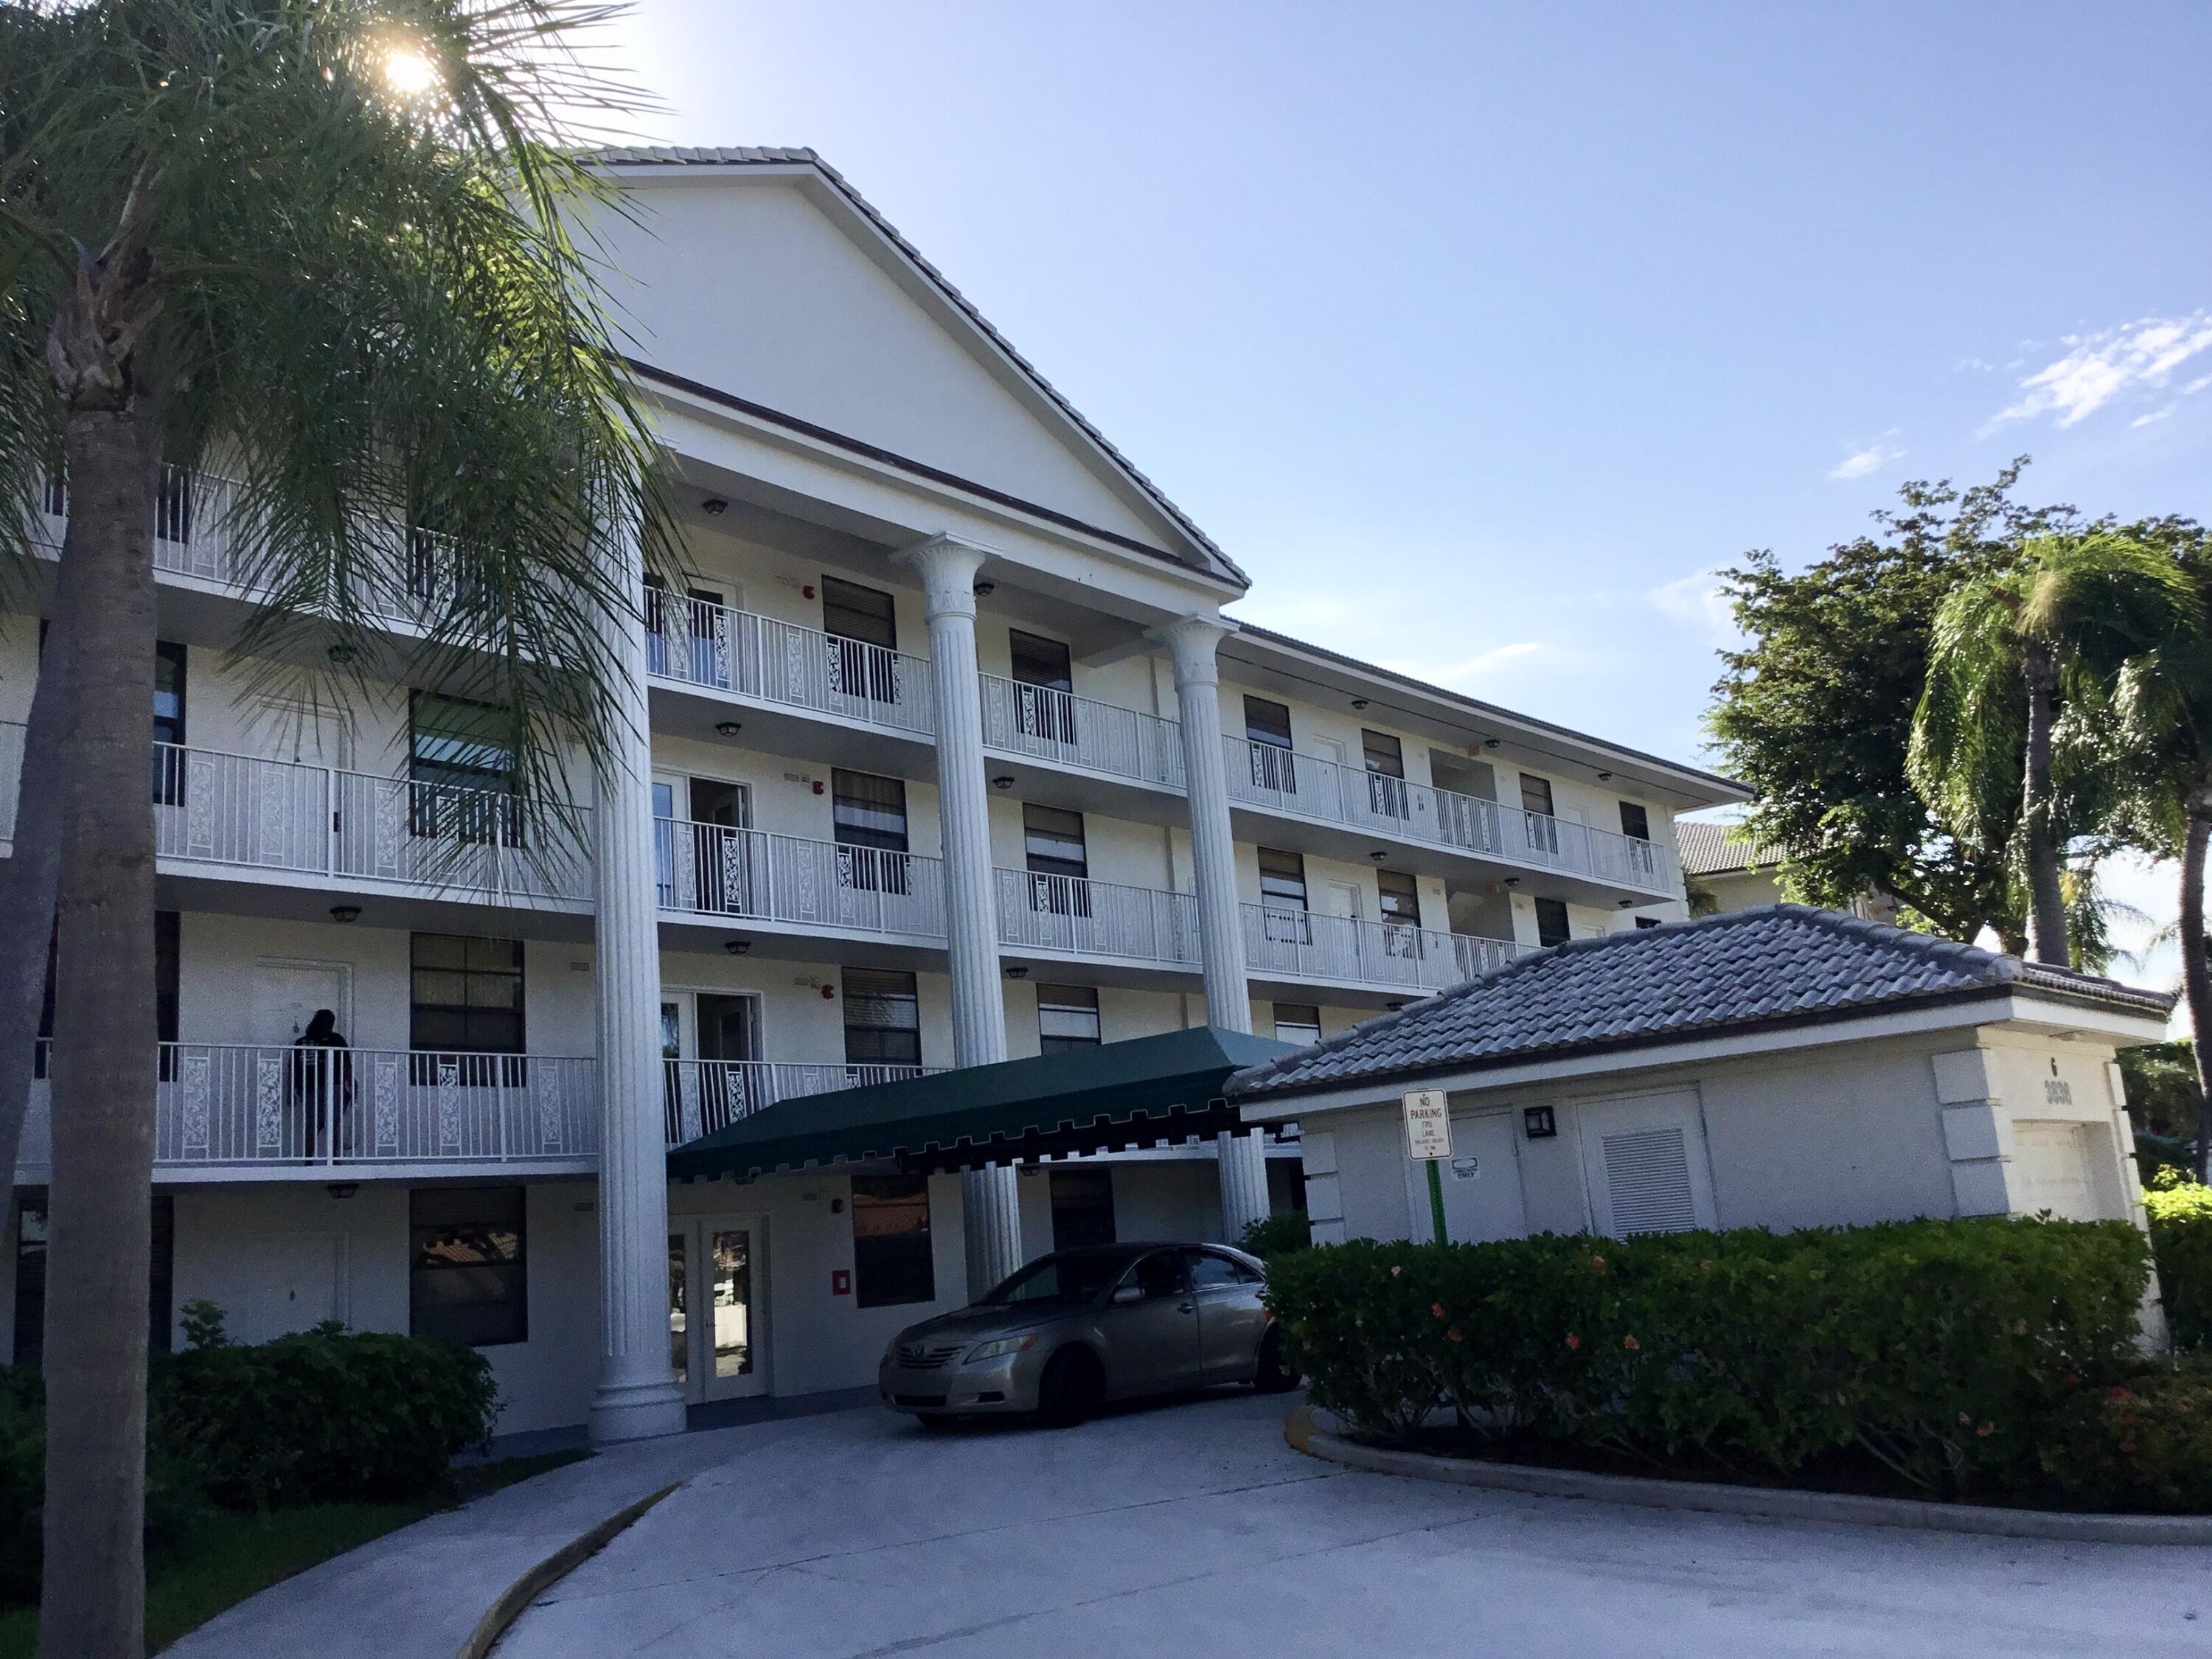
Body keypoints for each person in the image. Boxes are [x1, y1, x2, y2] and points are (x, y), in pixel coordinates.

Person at [288, 1008, 355, 1157]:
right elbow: (345, 1064)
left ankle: (309, 1159)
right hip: (332, 1087)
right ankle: (333, 1158)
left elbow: (293, 1068)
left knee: (313, 1124)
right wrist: (351, 1083)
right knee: (333, 1123)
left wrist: (291, 1091)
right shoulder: (336, 1040)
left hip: (308, 1088)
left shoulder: (302, 1042)